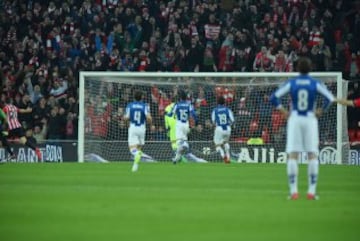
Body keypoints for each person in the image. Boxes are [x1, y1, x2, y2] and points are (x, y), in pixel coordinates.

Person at [270, 57, 335, 200]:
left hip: (295, 118)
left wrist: (282, 111)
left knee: (293, 155)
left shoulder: (292, 83)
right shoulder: (315, 83)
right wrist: (321, 110)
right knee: (312, 154)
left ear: (297, 68)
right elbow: (330, 98)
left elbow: (273, 97)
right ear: (310, 68)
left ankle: (294, 191)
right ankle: (311, 192)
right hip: (310, 119)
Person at [124, 91, 152, 172]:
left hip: (133, 127)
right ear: (142, 97)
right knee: (139, 148)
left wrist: (127, 123)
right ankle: (135, 165)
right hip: (142, 128)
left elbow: (126, 118)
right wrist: (150, 124)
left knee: (132, 149)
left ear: (134, 97)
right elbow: (149, 118)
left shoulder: (130, 105)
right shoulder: (145, 106)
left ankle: (137, 154)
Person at [169, 90, 198, 164]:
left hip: (179, 124)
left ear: (180, 97)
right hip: (186, 124)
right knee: (181, 143)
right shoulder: (189, 105)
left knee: (179, 142)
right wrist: (194, 121)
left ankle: (185, 145)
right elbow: (193, 114)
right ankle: (176, 159)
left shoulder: (177, 104)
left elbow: (170, 114)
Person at [211, 96, 234, 164]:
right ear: (224, 102)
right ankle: (228, 157)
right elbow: (232, 120)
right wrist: (228, 124)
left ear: (217, 102)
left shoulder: (215, 110)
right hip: (227, 128)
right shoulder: (228, 110)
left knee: (217, 145)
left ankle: (223, 156)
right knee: (226, 142)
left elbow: (213, 121)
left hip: (219, 128)